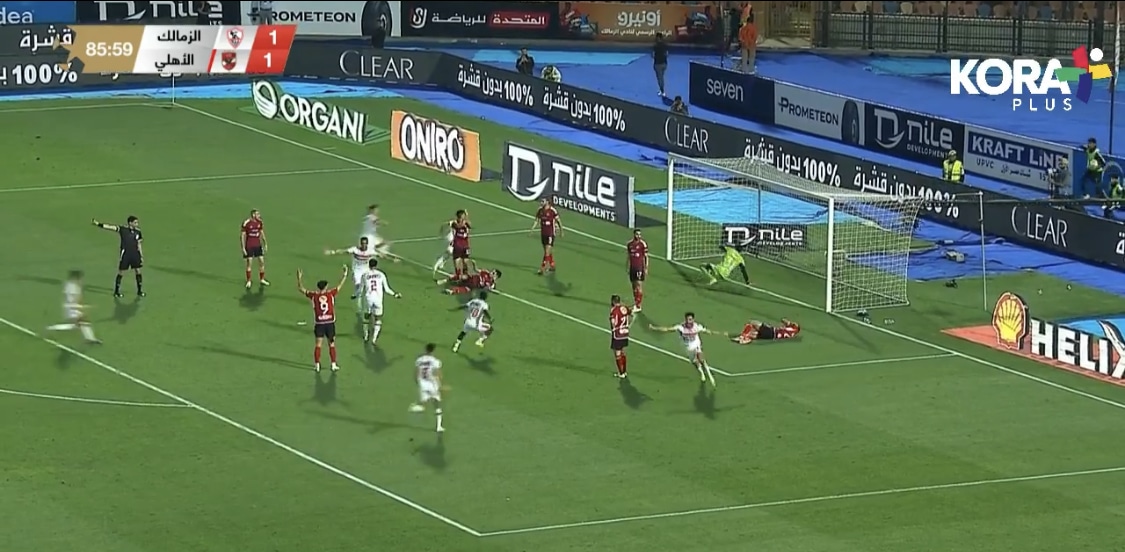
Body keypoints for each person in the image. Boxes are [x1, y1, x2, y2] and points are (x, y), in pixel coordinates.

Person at [649, 312, 725, 386]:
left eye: (690, 319)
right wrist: (654, 328)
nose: (689, 321)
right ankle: (701, 372)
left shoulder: (697, 326)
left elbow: (709, 331)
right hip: (688, 347)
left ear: (693, 320)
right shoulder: (681, 328)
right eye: (687, 319)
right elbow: (667, 329)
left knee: (701, 359)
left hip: (696, 344)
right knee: (695, 362)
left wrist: (721, 333)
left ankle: (710, 375)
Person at [298, 265, 348, 372]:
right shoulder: (330, 294)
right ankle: (333, 364)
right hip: (330, 323)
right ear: (325, 287)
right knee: (332, 344)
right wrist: (344, 275)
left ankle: (317, 365)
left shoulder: (314, 296)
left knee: (318, 345)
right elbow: (339, 286)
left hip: (319, 323)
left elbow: (301, 289)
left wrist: (299, 278)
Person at [92, 215, 145, 298]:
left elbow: (139, 244)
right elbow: (110, 227)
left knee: (138, 271)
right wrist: (98, 224)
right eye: (135, 222)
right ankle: (116, 291)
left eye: (137, 222)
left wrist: (141, 255)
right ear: (130, 223)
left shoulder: (138, 232)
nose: (137, 224)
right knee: (121, 272)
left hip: (135, 254)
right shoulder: (123, 229)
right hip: (125, 254)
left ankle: (139, 291)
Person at [46, 270, 100, 343]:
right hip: (71, 308)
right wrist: (82, 307)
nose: (81, 279)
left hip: (72, 307)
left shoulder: (71, 285)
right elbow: (73, 299)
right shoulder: (72, 286)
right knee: (82, 322)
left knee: (79, 324)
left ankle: (90, 339)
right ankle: (51, 329)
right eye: (80, 278)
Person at [325, 237, 377, 309]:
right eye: (362, 243)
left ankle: (365, 303)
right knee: (358, 286)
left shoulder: (370, 251)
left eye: (365, 244)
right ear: (360, 243)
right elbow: (344, 251)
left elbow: (382, 255)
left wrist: (391, 259)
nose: (364, 245)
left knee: (367, 288)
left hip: (366, 271)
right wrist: (333, 252)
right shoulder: (355, 250)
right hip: (357, 271)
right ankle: (358, 301)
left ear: (367, 244)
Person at [361, 258, 402, 345]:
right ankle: (374, 339)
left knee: (366, 317)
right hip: (378, 300)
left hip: (369, 299)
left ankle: (366, 336)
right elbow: (387, 289)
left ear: (369, 265)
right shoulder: (381, 274)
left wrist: (355, 295)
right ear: (376, 265)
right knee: (378, 319)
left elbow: (360, 289)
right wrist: (395, 294)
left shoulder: (364, 275)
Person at [410, 343, 446, 433]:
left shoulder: (419, 359)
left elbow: (416, 372)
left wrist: (418, 382)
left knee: (424, 403)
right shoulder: (435, 361)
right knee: (437, 404)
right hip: (432, 383)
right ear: (433, 351)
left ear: (425, 349)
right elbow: (438, 373)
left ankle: (417, 407)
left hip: (422, 383)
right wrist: (440, 385)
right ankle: (439, 427)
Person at [531, 197, 563, 274]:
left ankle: (542, 268)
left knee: (547, 252)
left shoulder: (552, 210)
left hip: (550, 234)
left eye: (543, 201)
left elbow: (559, 221)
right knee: (547, 251)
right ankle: (552, 265)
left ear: (547, 202)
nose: (541, 202)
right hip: (543, 233)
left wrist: (561, 231)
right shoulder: (540, 210)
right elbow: (537, 220)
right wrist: (532, 228)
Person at [241, 209, 269, 290]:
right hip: (249, 246)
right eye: (257, 214)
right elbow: (242, 236)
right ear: (253, 215)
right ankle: (248, 281)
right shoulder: (246, 223)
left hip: (258, 246)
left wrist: (265, 243)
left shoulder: (260, 222)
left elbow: (262, 233)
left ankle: (262, 279)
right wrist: (243, 248)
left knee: (262, 262)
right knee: (249, 263)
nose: (259, 215)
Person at [609, 294, 633, 379]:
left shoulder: (614, 310)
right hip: (625, 333)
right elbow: (632, 314)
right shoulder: (624, 308)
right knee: (622, 352)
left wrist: (613, 328)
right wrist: (628, 325)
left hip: (617, 334)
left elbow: (613, 322)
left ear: (613, 301)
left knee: (617, 354)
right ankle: (624, 371)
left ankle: (621, 373)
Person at [626, 229, 648, 311]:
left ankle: (639, 305)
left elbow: (646, 257)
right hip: (632, 267)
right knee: (633, 286)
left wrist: (646, 268)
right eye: (637, 234)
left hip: (639, 267)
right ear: (634, 234)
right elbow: (629, 256)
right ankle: (636, 302)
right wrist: (627, 266)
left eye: (639, 234)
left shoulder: (643, 244)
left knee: (639, 285)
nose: (638, 236)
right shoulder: (629, 244)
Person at [448, 210, 474, 281]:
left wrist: (465, 220)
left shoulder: (457, 223)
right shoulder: (458, 223)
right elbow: (459, 226)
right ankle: (462, 275)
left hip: (459, 245)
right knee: (463, 259)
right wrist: (465, 220)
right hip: (463, 245)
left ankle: (461, 276)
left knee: (460, 259)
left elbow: (468, 225)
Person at [731, 319, 800, 344]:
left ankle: (742, 337)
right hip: (770, 336)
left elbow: (783, 320)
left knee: (751, 322)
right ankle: (747, 338)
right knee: (753, 334)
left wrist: (790, 322)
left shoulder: (793, 328)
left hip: (771, 331)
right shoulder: (792, 333)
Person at [738, 6, 757, 74]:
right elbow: (754, 37)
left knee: (744, 59)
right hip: (751, 45)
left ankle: (744, 70)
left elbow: (740, 37)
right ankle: (751, 70)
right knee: (751, 58)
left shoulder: (743, 28)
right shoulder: (754, 28)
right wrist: (752, 42)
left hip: (744, 45)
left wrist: (743, 42)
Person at [653, 32, 669, 96]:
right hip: (664, 63)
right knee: (661, 77)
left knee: (660, 78)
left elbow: (653, 55)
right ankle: (661, 90)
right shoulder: (665, 45)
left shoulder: (655, 46)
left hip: (658, 64)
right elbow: (667, 54)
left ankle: (662, 91)